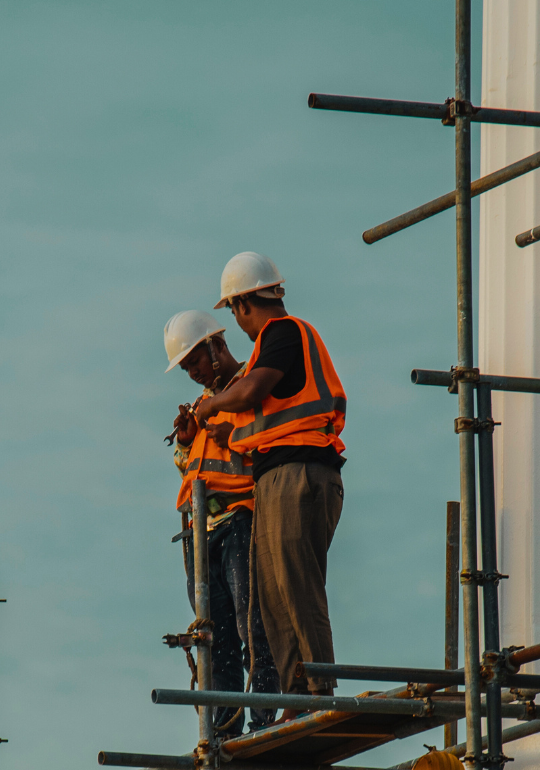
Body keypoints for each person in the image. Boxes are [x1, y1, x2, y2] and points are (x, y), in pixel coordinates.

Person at [193, 252, 347, 721]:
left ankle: (318, 690)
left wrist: (209, 408)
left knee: (296, 588)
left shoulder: (283, 333)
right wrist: (231, 432)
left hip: (299, 474)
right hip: (278, 475)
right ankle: (292, 696)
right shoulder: (275, 342)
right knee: (273, 597)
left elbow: (250, 391)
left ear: (241, 304)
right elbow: (268, 416)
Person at [163, 310, 280, 735]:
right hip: (200, 531)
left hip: (240, 519)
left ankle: (265, 720)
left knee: (254, 623)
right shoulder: (201, 405)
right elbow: (190, 467)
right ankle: (225, 728)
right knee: (217, 639)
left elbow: (260, 442)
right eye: (186, 366)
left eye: (194, 360)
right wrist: (183, 440)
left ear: (217, 346)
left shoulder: (251, 383)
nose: (192, 372)